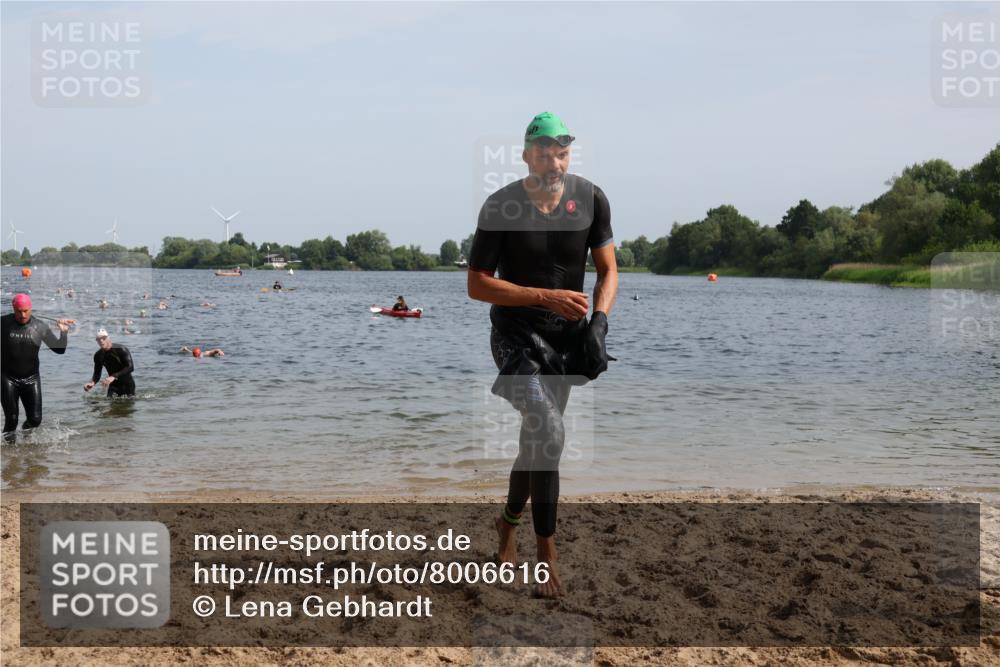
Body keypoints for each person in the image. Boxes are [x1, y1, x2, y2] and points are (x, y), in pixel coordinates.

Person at [467, 112, 618, 597]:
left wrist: (598, 323)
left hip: (566, 341)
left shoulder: (591, 199)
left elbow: (608, 271)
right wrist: (542, 297)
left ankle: (507, 527)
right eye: (544, 152)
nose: (554, 161)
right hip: (514, 337)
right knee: (549, 431)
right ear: (527, 155)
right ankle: (547, 557)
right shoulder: (501, 206)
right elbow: (477, 285)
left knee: (538, 445)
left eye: (562, 152)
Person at [1, 294, 75, 438]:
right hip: (7, 378)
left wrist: (63, 332)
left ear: (31, 309)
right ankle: (11, 457)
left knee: (35, 420)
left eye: (26, 311)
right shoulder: (3, 323)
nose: (23, 315)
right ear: (13, 309)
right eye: (19, 311)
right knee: (12, 420)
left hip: (31, 378)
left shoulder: (39, 326)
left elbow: (59, 349)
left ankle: (25, 438)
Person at [84, 329, 136, 397]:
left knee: (127, 406)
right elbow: (97, 373)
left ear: (108, 338)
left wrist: (114, 376)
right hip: (113, 385)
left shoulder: (121, 349)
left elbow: (130, 367)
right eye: (98, 339)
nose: (101, 341)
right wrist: (92, 383)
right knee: (108, 404)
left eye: (103, 338)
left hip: (127, 385)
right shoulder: (98, 355)